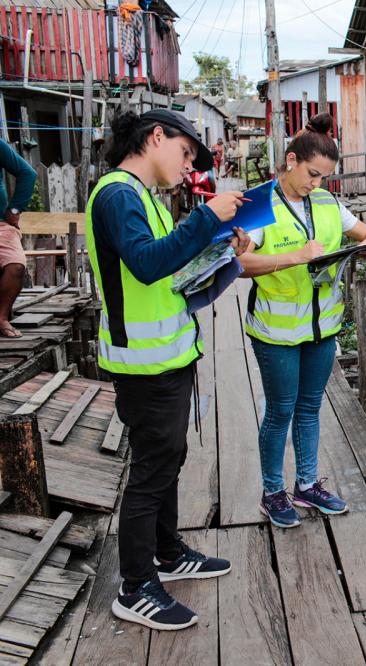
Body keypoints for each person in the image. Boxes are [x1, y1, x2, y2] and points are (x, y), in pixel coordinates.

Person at [86, 109, 249, 630]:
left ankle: (168, 553)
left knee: (168, 458)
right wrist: (206, 218)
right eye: (185, 153)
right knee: (152, 469)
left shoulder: (144, 197)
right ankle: (135, 587)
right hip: (143, 363)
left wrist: (220, 248)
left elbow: (169, 269)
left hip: (167, 355)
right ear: (156, 137)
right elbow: (147, 264)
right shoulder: (118, 196)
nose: (188, 166)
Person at [239, 113, 366, 528]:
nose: (316, 183)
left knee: (309, 408)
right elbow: (241, 263)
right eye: (312, 174)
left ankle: (306, 484)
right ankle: (272, 491)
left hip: (322, 329)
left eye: (323, 177)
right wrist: (295, 257)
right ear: (291, 160)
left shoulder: (327, 202)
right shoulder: (261, 205)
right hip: (277, 332)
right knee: (280, 411)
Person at [0, 139, 37, 338]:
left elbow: (28, 174)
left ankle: (1, 318)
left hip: (1, 225)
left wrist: (15, 209)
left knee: (16, 265)